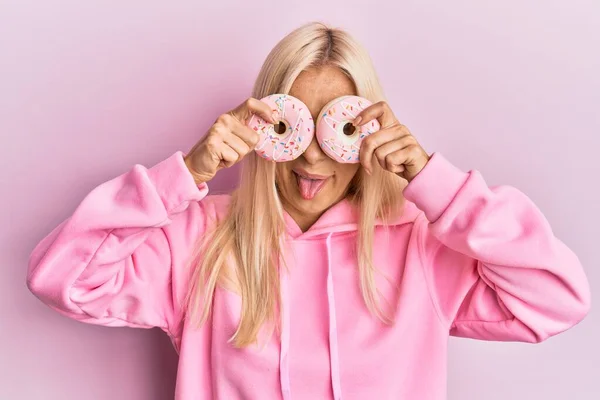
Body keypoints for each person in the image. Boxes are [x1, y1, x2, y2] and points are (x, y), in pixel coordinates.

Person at [26, 21, 590, 400]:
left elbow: (556, 300)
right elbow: (63, 279)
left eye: (337, 126)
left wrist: (433, 183)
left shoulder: (418, 242)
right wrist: (186, 174)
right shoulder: (201, 239)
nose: (313, 153)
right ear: (263, 122)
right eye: (292, 125)